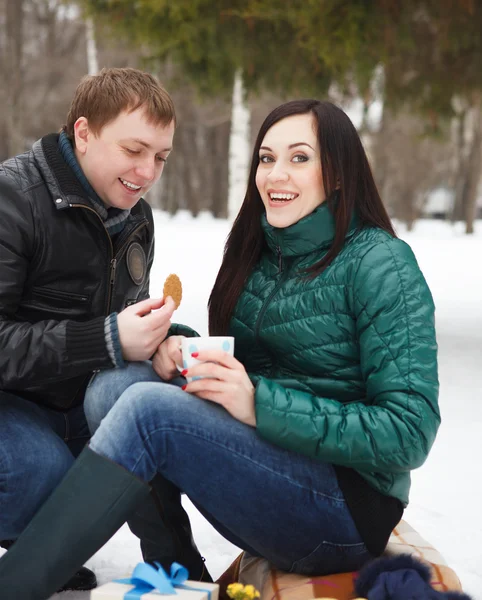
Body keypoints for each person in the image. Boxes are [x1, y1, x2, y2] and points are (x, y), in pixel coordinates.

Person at [0, 99, 440, 600]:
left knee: (147, 411)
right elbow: (245, 371)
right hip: (274, 467)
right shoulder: (261, 251)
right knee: (118, 384)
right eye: (266, 158)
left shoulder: (381, 264)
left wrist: (259, 404)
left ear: (338, 173)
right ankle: (179, 573)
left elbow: (409, 432)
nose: (276, 175)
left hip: (344, 510)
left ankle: (15, 587)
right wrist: (174, 346)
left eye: (299, 158)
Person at [0, 67, 203, 593]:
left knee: (145, 396)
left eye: (160, 156)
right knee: (46, 484)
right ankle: (40, 547)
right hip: (11, 408)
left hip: (76, 406)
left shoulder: (135, 215)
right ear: (84, 133)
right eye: (134, 150)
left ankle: (172, 564)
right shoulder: (12, 200)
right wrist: (107, 339)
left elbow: (125, 323)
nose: (148, 170)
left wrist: (166, 336)